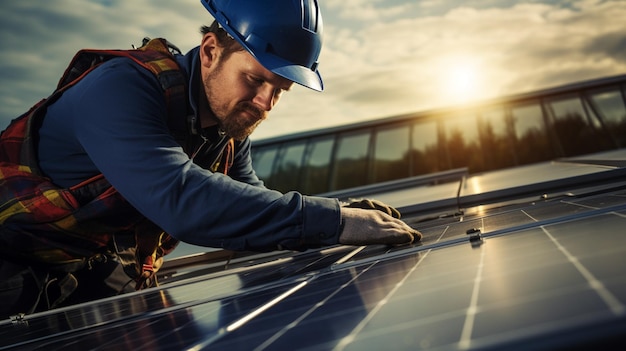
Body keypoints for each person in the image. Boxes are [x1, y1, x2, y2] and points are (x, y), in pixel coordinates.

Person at [0, 0, 421, 318]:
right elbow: (184, 199)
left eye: (280, 90)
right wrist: (336, 220)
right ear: (209, 51)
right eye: (256, 79)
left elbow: (246, 206)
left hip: (87, 265)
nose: (264, 103)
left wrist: (339, 217)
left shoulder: (228, 130)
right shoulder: (121, 90)